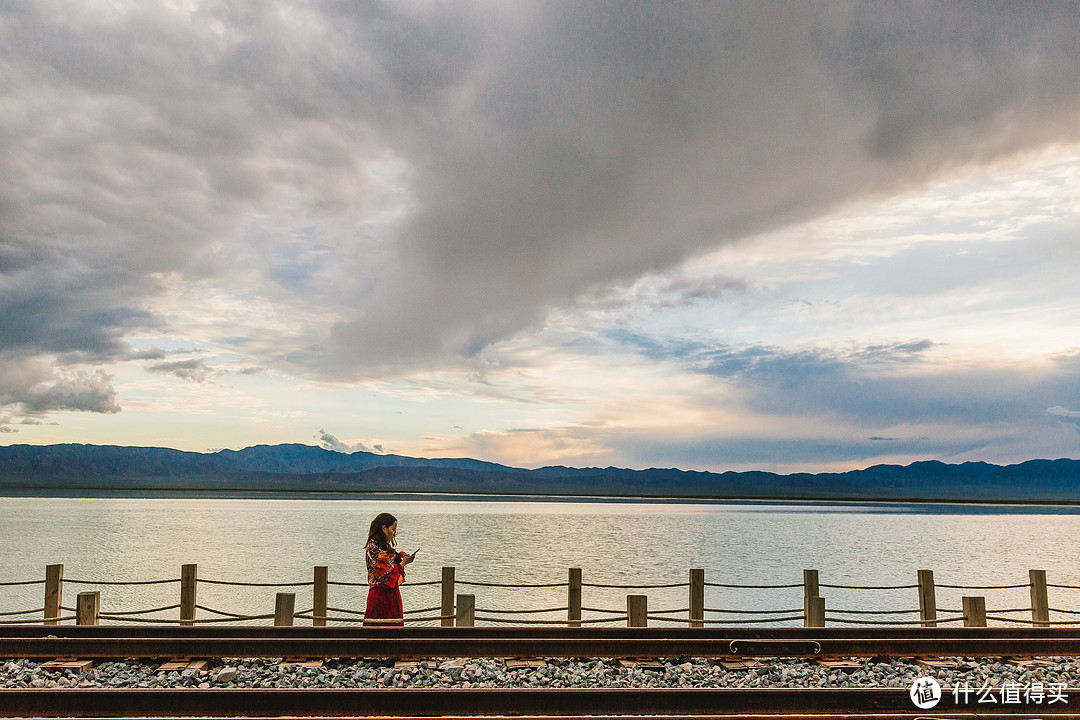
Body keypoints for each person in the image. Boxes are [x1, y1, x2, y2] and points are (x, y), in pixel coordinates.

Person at [362, 512, 415, 626]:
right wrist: (403, 563)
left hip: (391, 594)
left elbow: (389, 563)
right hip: (379, 595)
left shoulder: (382, 547)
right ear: (384, 528)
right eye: (393, 529)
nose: (394, 533)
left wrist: (400, 558)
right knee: (376, 633)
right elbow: (386, 572)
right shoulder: (373, 548)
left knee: (393, 632)